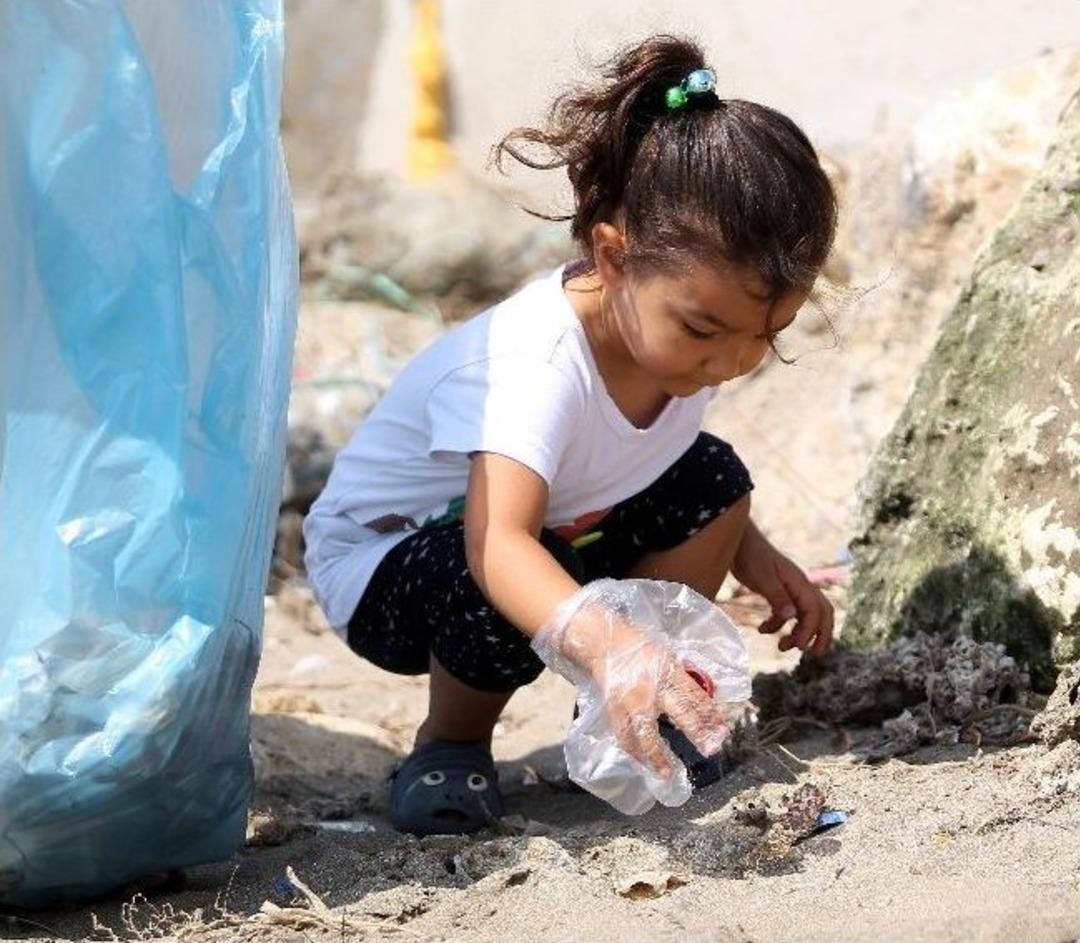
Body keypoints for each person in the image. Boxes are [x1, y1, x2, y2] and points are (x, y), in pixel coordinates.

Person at [303, 34, 837, 835]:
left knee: (714, 479)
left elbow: (662, 460)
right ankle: (450, 742)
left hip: (543, 531)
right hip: (391, 567)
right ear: (614, 257)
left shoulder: (674, 346)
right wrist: (608, 641)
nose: (731, 362)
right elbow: (499, 545)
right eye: (705, 330)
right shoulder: (537, 363)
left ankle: (645, 713)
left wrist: (757, 559)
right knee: (517, 573)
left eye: (768, 336)